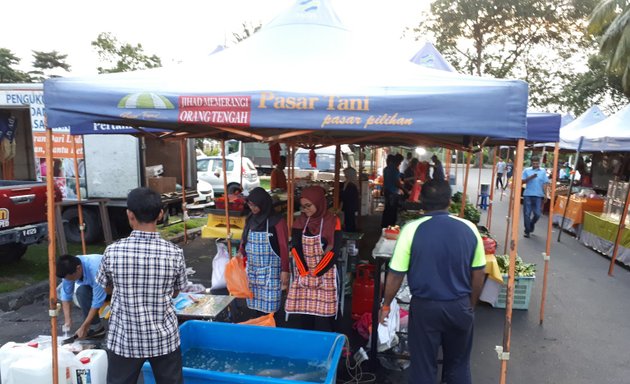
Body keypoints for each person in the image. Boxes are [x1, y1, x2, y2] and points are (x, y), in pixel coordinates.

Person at [379, 179, 485, 384]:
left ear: (421, 201)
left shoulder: (411, 229)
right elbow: (479, 273)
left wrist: (385, 304)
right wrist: (470, 304)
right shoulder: (470, 228)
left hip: (425, 309)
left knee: (423, 367)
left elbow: (396, 274)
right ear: (448, 201)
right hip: (459, 306)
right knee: (458, 365)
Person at [97, 187, 188, 384]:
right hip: (164, 337)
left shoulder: (112, 252)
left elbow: (106, 288)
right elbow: (176, 292)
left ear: (130, 215)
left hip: (125, 337)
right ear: (161, 214)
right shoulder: (174, 253)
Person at [285, 186, 342, 331]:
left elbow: (334, 251)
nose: (305, 210)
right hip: (303, 272)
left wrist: (317, 272)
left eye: (308, 205)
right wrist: (304, 272)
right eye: (303, 207)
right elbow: (295, 247)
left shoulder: (333, 222)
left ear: (319, 202)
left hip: (326, 272)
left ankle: (337, 344)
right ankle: (309, 343)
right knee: (306, 312)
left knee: (330, 313)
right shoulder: (300, 222)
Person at [238, 187, 289, 316]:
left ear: (264, 204)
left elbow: (283, 246)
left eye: (256, 206)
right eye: (250, 205)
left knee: (271, 312)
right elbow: (244, 239)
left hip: (271, 273)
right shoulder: (250, 219)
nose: (253, 209)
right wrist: (240, 253)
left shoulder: (277, 221)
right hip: (253, 271)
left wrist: (285, 270)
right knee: (255, 308)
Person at [56, 254, 107, 339]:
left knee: (83, 291)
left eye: (72, 278)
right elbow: (66, 295)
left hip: (116, 286)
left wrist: (84, 326)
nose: (70, 281)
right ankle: (96, 328)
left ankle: (92, 327)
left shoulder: (95, 268)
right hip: (98, 286)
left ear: (78, 268)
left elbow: (97, 301)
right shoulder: (69, 269)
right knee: (82, 291)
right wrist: (67, 320)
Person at [522, 156, 550, 238]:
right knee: (527, 213)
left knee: (537, 214)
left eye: (537, 163)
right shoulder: (527, 170)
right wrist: (530, 177)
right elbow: (522, 181)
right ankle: (527, 231)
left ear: (539, 163)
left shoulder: (543, 171)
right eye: (534, 163)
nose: (535, 165)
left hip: (538, 195)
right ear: (532, 163)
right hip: (528, 194)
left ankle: (531, 223)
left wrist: (545, 194)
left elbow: (545, 183)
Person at [381, 154, 404, 228]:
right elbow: (396, 183)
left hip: (387, 191)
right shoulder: (395, 170)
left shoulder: (386, 169)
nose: (400, 164)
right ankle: (391, 227)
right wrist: (404, 190)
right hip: (392, 193)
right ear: (396, 161)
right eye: (400, 162)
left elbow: (386, 181)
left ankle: (384, 225)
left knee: (387, 209)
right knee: (392, 211)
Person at [340, 167, 359, 232]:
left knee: (349, 221)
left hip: (349, 206)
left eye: (346, 174)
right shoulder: (352, 183)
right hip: (350, 206)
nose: (345, 175)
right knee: (350, 220)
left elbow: (345, 196)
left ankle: (350, 236)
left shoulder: (351, 185)